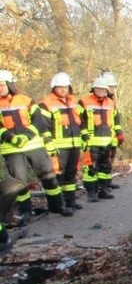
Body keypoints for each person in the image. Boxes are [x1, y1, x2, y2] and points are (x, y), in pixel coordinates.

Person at [0, 70, 74, 222]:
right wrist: (11, 138)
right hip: (11, 148)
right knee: (19, 183)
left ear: (9, 84)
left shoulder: (26, 100)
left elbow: (38, 121)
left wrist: (26, 135)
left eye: (2, 85)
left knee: (48, 175)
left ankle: (57, 206)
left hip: (33, 145)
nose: (0, 88)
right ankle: (26, 211)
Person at [38, 72, 84, 210]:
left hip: (75, 144)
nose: (63, 89)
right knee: (59, 175)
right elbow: (42, 127)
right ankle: (59, 204)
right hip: (57, 147)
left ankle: (70, 201)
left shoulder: (74, 103)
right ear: (54, 88)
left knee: (71, 174)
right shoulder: (45, 104)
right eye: (59, 87)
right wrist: (49, 144)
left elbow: (81, 122)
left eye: (65, 87)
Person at [78, 76, 121, 202]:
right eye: (98, 89)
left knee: (105, 167)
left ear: (107, 91)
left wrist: (118, 133)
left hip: (107, 141)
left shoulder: (111, 103)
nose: (101, 92)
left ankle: (104, 189)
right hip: (91, 141)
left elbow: (116, 120)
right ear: (93, 89)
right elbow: (79, 120)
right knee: (91, 168)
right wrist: (84, 134)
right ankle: (91, 192)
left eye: (103, 90)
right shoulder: (84, 101)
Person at [99, 71, 122, 190]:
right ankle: (102, 184)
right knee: (103, 161)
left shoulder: (111, 100)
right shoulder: (99, 101)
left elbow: (115, 118)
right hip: (101, 138)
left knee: (109, 160)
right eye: (112, 86)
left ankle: (107, 181)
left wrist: (119, 133)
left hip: (111, 136)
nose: (113, 89)